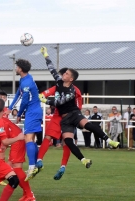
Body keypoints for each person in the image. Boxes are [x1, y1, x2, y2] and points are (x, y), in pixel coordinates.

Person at [34, 46, 119, 180]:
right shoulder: (59, 82)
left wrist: (46, 101)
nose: (64, 74)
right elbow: (51, 68)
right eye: (64, 73)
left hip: (74, 114)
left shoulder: (72, 91)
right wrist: (45, 55)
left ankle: (109, 140)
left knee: (89, 125)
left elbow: (59, 102)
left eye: (67, 74)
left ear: (71, 79)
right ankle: (83, 160)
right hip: (65, 119)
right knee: (68, 141)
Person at [5, 58, 43, 180]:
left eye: (17, 67)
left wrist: (19, 113)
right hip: (34, 111)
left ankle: (32, 167)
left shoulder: (26, 82)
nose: (15, 69)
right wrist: (10, 108)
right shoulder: (25, 79)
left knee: (28, 138)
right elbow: (18, 94)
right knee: (31, 138)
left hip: (32, 112)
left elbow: (25, 100)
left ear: (20, 69)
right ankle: (36, 165)